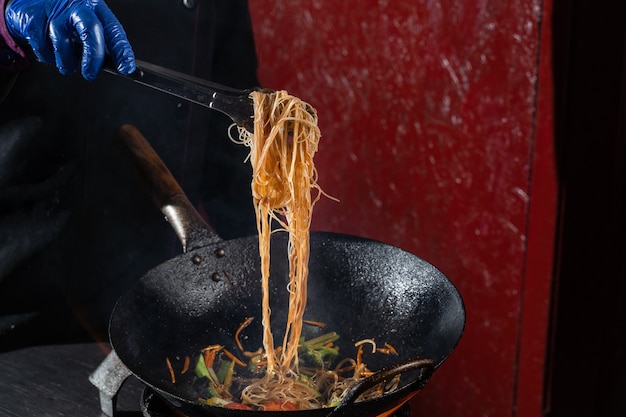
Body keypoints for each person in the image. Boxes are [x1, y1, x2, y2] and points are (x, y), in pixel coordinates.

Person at [0, 0, 259, 350]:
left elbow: (231, 128)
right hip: (23, 297)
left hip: (151, 293)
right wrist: (4, 19)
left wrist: (261, 269)